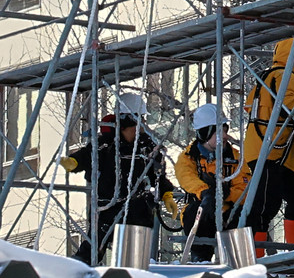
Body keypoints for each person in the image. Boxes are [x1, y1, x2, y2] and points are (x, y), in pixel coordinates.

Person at [61, 112, 179, 264]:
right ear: (123, 128)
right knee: (95, 245)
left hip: (138, 206)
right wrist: (75, 162)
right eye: (135, 127)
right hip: (108, 205)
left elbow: (158, 175)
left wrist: (166, 194)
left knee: (135, 251)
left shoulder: (147, 146)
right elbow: (88, 154)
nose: (139, 130)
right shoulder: (107, 144)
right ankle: (78, 268)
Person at [243, 37, 294, 253]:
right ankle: (255, 256)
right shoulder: (286, 76)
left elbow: (270, 113)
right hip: (269, 153)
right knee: (265, 206)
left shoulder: (269, 76)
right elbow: (288, 106)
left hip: (273, 151)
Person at [174, 103, 249, 262]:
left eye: (224, 130)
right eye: (218, 131)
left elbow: (244, 186)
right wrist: (206, 192)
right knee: (196, 211)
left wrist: (226, 194)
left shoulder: (236, 157)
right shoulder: (188, 157)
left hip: (228, 211)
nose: (224, 136)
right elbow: (186, 177)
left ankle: (237, 261)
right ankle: (200, 258)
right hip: (201, 211)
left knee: (246, 213)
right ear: (205, 133)